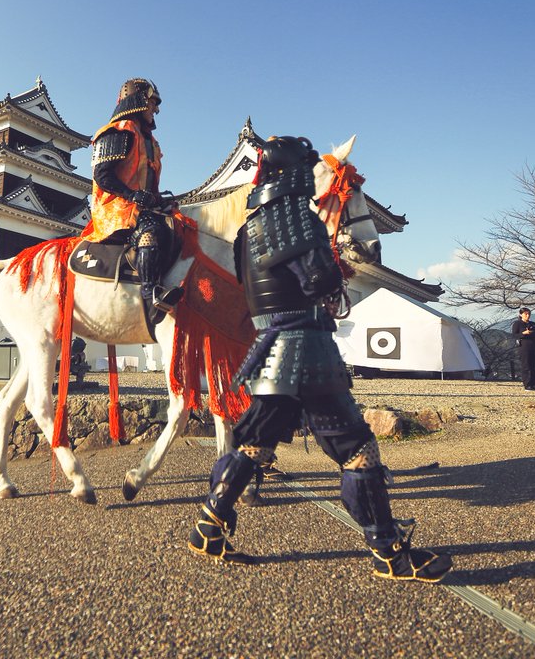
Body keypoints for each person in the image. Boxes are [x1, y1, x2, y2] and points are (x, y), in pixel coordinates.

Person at [186, 133, 452, 583]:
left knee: (251, 444)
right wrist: (336, 265)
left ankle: (208, 526)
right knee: (356, 448)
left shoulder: (247, 230)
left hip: (269, 351)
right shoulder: (300, 221)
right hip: (307, 348)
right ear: (294, 173)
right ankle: (387, 549)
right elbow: (321, 282)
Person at [82, 78, 182, 323]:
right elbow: (102, 175)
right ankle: (151, 293)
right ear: (137, 101)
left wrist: (158, 200)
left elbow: (148, 183)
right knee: (150, 231)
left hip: (142, 204)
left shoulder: (150, 142)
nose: (155, 109)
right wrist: (132, 195)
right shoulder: (119, 131)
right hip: (117, 205)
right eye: (152, 102)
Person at [512, 307, 535, 391]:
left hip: (534, 346)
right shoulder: (517, 323)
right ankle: (527, 385)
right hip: (524, 347)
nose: (528, 315)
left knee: (534, 366)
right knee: (526, 366)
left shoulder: (532, 323)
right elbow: (514, 335)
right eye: (526, 314)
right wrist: (524, 333)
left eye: (529, 314)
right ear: (521, 314)